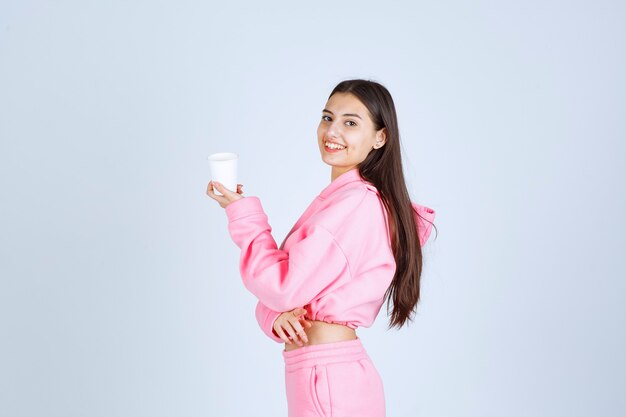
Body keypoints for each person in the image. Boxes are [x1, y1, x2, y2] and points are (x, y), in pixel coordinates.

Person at [206, 79, 437, 417]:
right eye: (328, 117)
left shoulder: (355, 203)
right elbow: (292, 291)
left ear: (380, 137)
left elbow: (283, 287)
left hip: (327, 377)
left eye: (351, 122)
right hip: (321, 373)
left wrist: (241, 214)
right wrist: (274, 315)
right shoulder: (345, 201)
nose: (333, 130)